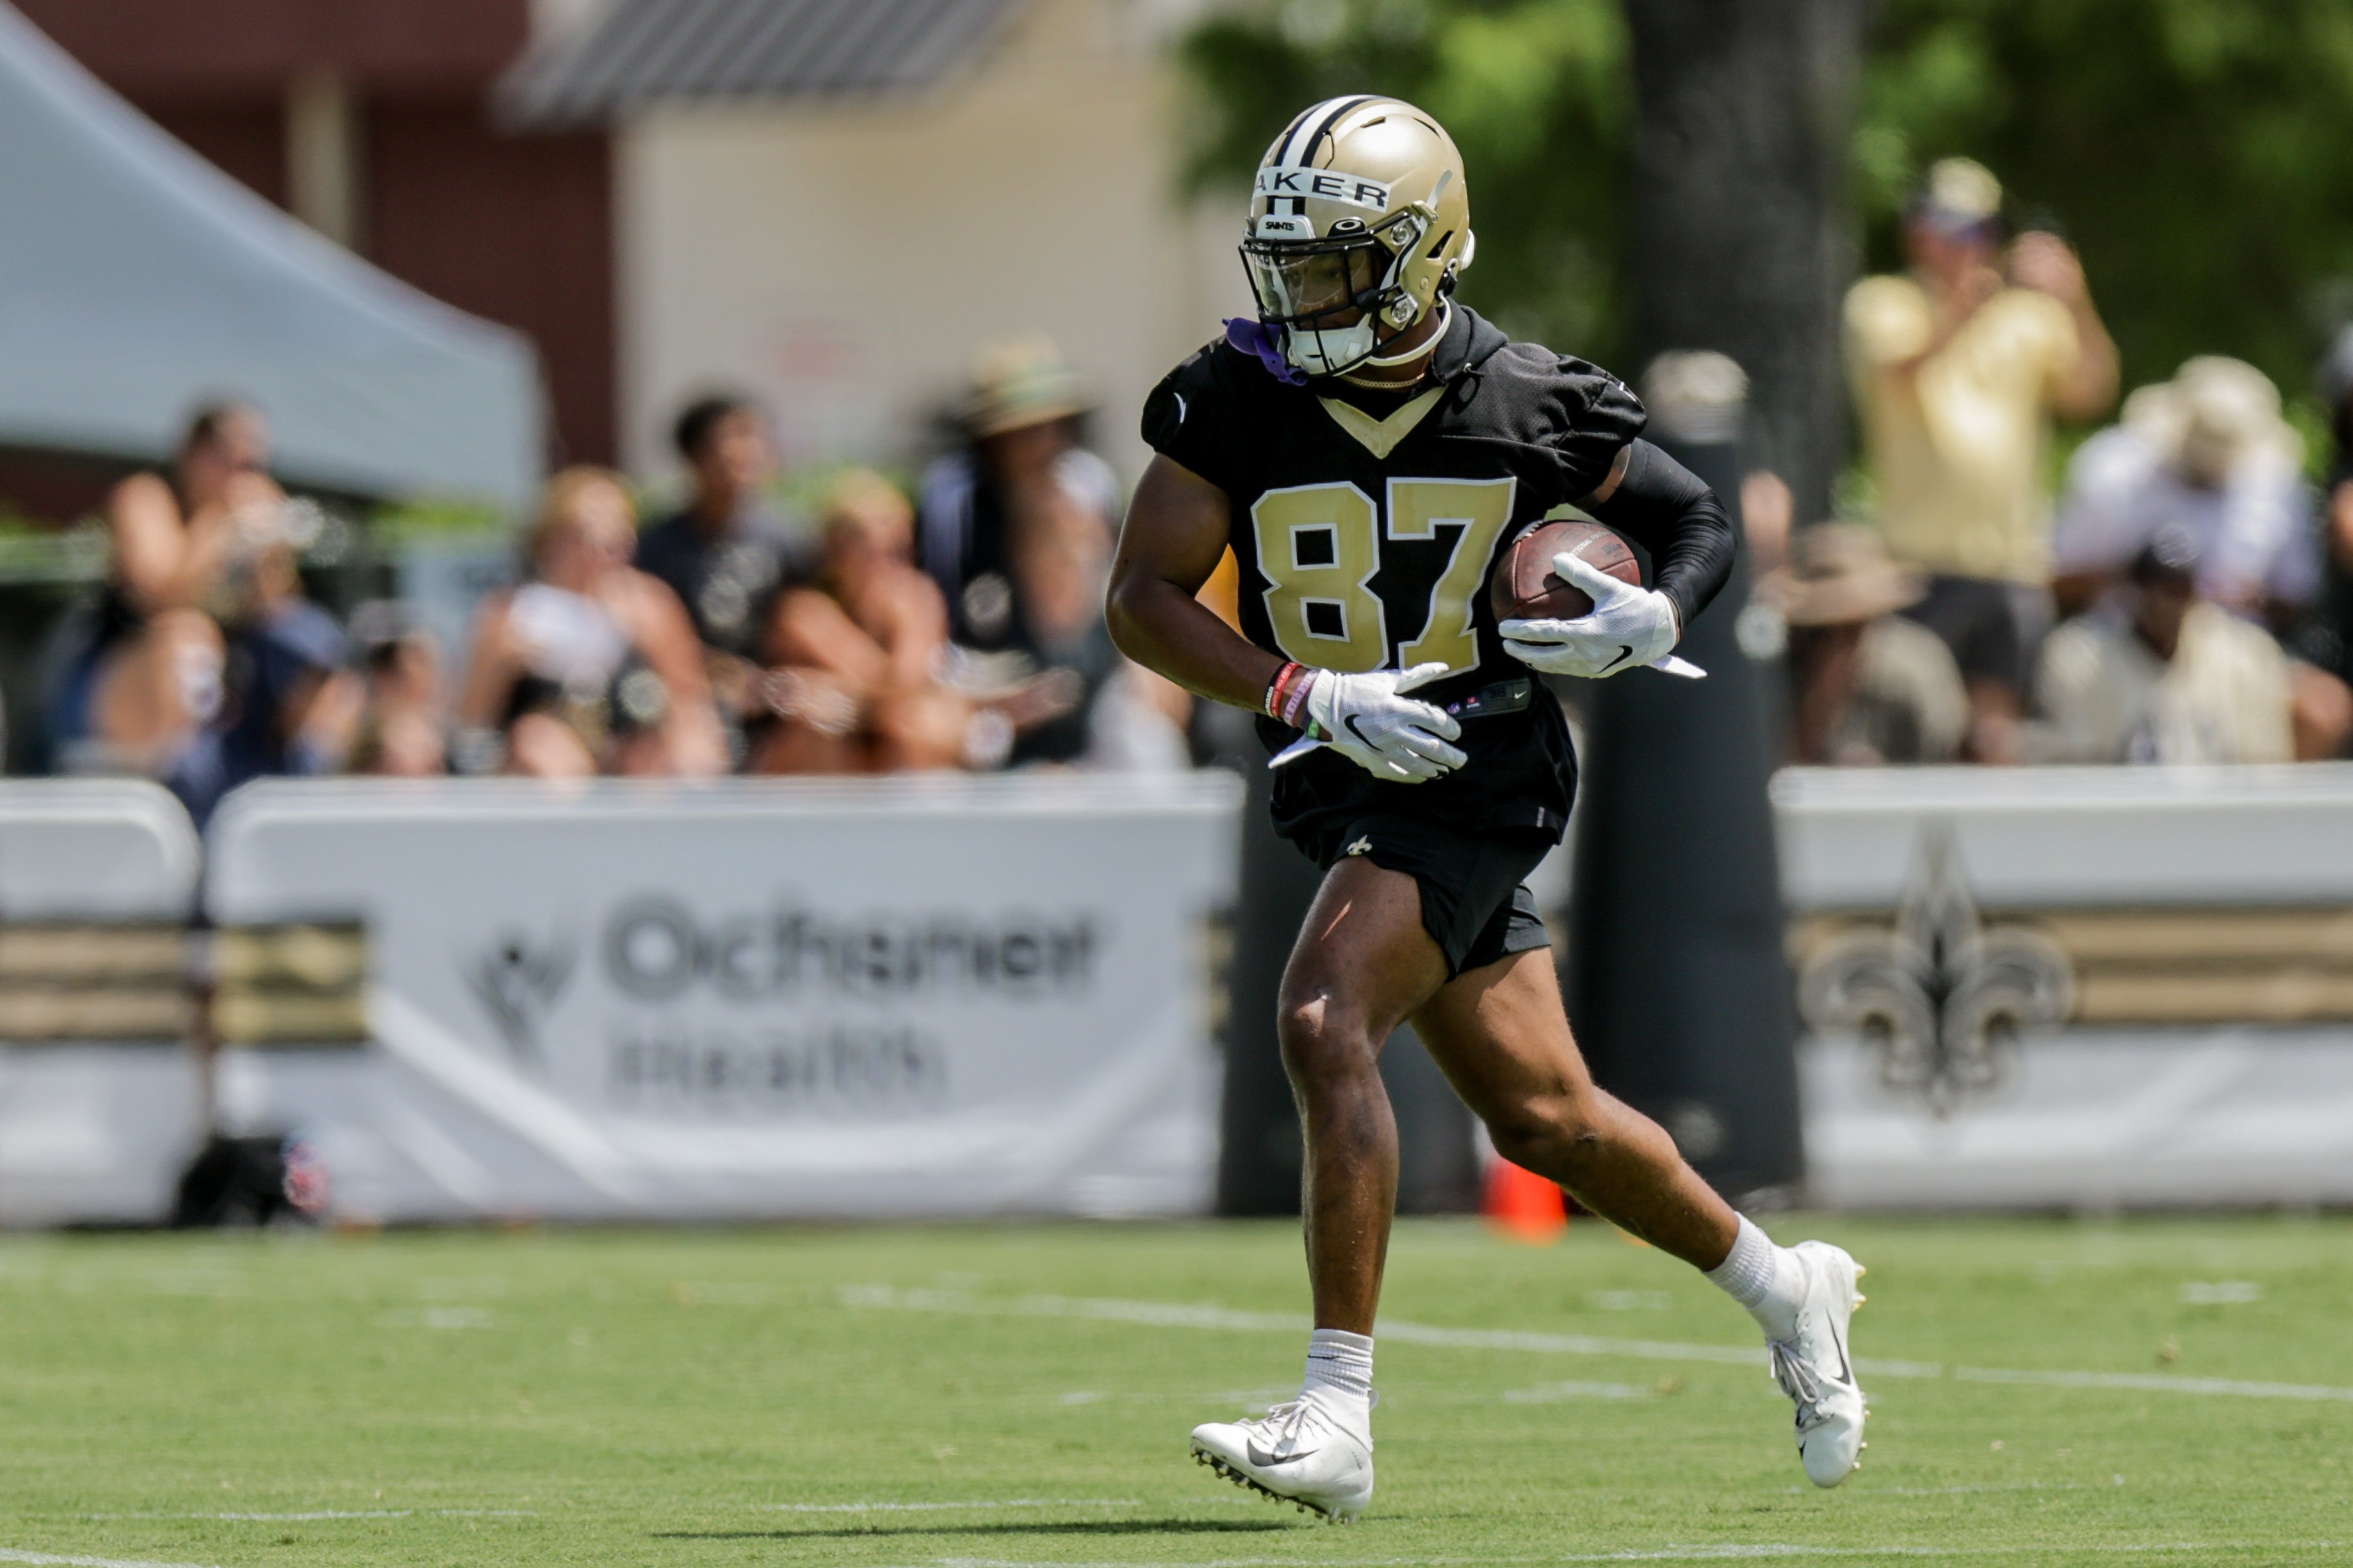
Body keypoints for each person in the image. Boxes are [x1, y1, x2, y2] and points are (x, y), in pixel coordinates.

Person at [1107, 95, 1868, 1523]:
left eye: (1336, 263)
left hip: (1478, 759)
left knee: (1323, 1016)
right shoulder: (1232, 394)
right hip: (1339, 764)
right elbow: (1140, 598)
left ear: (1423, 255)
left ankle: (1336, 1411)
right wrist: (1298, 691)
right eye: (1289, 262)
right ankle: (1787, 1287)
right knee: (1548, 1120)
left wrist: (1655, 612)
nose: (1300, 295)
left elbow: (1696, 519)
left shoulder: (1527, 394)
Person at [1845, 158, 2119, 763]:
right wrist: (1976, 302)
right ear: (1916, 232)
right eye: (1949, 227)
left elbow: (2091, 392)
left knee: (1998, 739)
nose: (1965, 244)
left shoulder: (2027, 318)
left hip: (2010, 566)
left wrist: (2075, 300)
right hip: (1918, 564)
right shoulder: (1885, 303)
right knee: (1916, 726)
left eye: (1979, 228)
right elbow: (1902, 369)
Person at [918, 337, 1124, 764]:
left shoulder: (1090, 485)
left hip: (1089, 683)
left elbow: (1115, 594)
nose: (1043, 444)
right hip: (984, 680)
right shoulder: (953, 497)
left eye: (1055, 427)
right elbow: (940, 605)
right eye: (1025, 432)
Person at [457, 467, 726, 779]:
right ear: (550, 539)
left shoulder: (650, 604)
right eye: (587, 533)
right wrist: (501, 666)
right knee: (538, 743)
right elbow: (471, 719)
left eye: (617, 532)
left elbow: (690, 698)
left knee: (678, 749)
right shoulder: (511, 612)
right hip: (546, 753)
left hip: (634, 749)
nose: (603, 544)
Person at [51, 402, 275, 775]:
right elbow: (158, 596)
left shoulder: (246, 518)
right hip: (111, 685)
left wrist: (270, 553)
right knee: (184, 636)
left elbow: (276, 612)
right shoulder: (145, 496)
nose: (240, 478)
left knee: (311, 645)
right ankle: (182, 782)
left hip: (219, 690)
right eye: (229, 461)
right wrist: (220, 524)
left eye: (251, 466)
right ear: (193, 455)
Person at [2053, 357, 2317, 618]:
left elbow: (2297, 599)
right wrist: (2133, 579)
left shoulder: (2279, 492)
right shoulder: (2114, 471)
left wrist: (2246, 598)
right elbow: (2057, 581)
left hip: (2232, 640)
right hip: (2112, 636)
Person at [753, 471, 972, 773]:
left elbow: (906, 685)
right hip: (813, 746)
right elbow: (887, 683)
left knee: (928, 726)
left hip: (888, 728)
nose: (887, 565)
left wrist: (830, 687)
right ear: (835, 552)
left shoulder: (917, 598)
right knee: (822, 725)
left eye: (898, 551)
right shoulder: (804, 610)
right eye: (871, 551)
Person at [2033, 526, 2295, 764]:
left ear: (2195, 593)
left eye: (2180, 589)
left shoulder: (2244, 657)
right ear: (2134, 589)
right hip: (2121, 801)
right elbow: (2074, 768)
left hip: (2217, 800)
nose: (2167, 603)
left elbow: (2264, 768)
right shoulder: (2079, 660)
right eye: (2156, 587)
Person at [633, 394, 812, 731]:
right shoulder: (656, 546)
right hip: (685, 695)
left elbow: (802, 624)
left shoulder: (788, 540)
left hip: (775, 698)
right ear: (694, 453)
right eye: (735, 436)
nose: (749, 451)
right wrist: (720, 674)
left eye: (757, 438)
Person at [1763, 524, 1969, 766]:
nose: (1836, 642)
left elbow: (1939, 758)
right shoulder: (1776, 668)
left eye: (1851, 628)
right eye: (1819, 632)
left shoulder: (1912, 673)